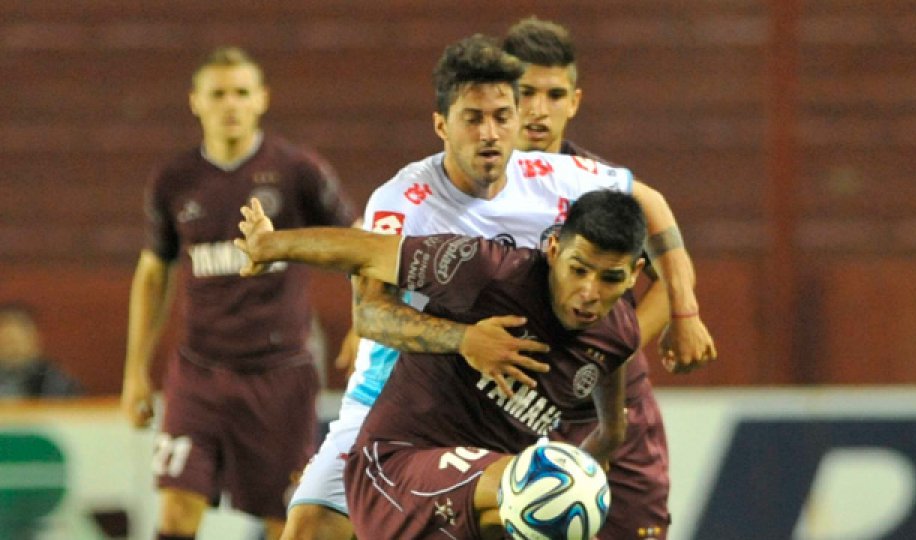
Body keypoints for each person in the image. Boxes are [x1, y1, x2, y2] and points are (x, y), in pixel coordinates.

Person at [281, 34, 714, 539]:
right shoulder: (404, 200)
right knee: (309, 528)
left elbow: (652, 204)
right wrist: (464, 340)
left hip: (500, 411)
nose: (491, 132)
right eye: (474, 118)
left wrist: (684, 311)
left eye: (502, 117)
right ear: (442, 124)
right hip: (394, 404)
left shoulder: (556, 177)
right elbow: (371, 316)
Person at [236, 188, 646, 539]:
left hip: (470, 506)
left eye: (610, 278)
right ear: (554, 249)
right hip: (394, 467)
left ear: (634, 274)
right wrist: (270, 246)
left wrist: (601, 449)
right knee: (549, 485)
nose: (589, 292)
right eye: (578, 270)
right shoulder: (490, 272)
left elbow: (610, 420)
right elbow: (366, 253)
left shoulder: (618, 335)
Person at [120, 46, 357, 540]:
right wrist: (135, 373)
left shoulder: (298, 171)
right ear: (196, 102)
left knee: (284, 521)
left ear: (262, 100)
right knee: (176, 513)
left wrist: (364, 323)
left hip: (281, 376)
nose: (231, 103)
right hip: (198, 372)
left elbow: (357, 243)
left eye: (242, 92)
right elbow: (153, 273)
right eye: (219, 93)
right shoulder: (174, 180)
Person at [504, 16, 690, 538]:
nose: (538, 109)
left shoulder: (602, 188)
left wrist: (615, 347)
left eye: (553, 94)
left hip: (608, 408)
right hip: (511, 409)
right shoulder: (473, 193)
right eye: (524, 93)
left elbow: (666, 262)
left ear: (575, 101)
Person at [0, 302, 83, 398]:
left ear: (35, 339)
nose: (12, 349)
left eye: (16, 340)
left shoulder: (53, 379)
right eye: (6, 341)